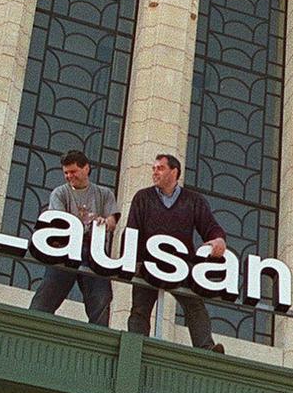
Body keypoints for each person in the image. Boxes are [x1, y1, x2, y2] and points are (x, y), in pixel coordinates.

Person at [126, 153, 226, 353]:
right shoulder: (143, 197)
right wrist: (131, 262)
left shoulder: (193, 200)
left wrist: (218, 239)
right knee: (139, 310)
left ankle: (206, 348)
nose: (155, 172)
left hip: (180, 265)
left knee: (195, 305)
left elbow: (210, 226)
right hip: (148, 263)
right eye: (154, 168)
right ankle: (134, 348)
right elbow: (132, 231)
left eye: (160, 168)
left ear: (175, 172)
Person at [28, 150, 117, 326]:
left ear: (86, 169)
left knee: (101, 300)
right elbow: (60, 222)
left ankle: (99, 343)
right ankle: (30, 329)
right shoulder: (59, 193)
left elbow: (113, 221)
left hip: (95, 252)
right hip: (66, 249)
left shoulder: (104, 193)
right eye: (66, 172)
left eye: (73, 171)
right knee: (47, 295)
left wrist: (104, 222)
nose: (69, 176)